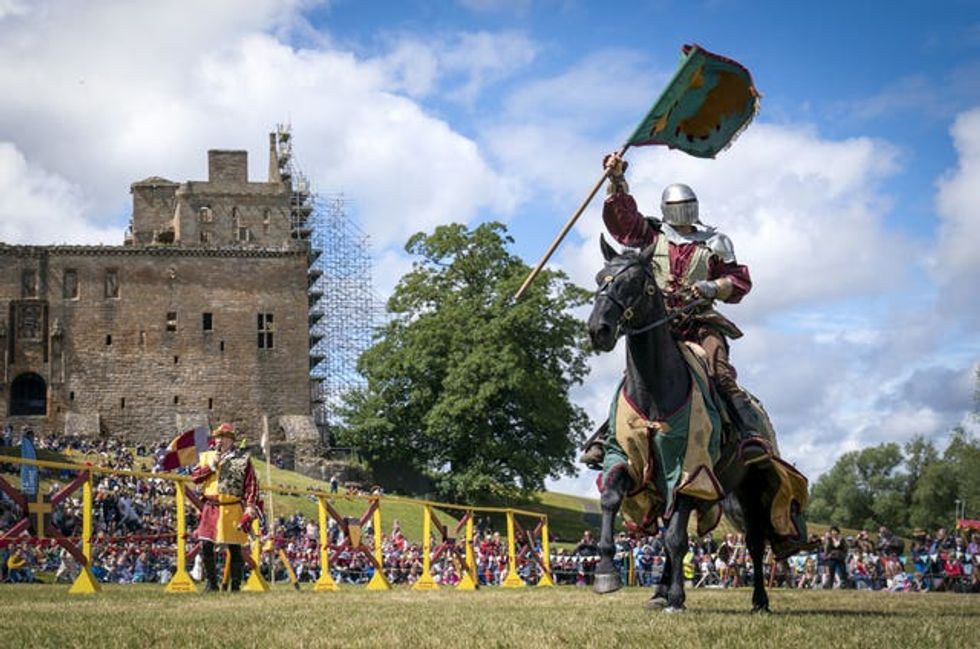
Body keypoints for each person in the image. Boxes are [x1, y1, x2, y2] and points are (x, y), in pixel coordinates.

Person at [581, 153, 770, 468]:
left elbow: (739, 281)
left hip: (699, 322)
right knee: (637, 376)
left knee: (719, 371)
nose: (682, 211)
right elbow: (623, 222)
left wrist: (713, 287)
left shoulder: (714, 242)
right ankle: (608, 436)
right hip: (658, 321)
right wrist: (616, 179)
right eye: (676, 206)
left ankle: (749, 434)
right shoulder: (651, 235)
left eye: (686, 205)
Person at [191, 423, 260, 592]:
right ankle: (212, 584)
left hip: (232, 507)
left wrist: (250, 505)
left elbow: (251, 483)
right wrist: (211, 467)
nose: (219, 441)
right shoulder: (207, 457)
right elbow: (195, 477)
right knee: (205, 544)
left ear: (231, 440)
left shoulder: (242, 459)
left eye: (223, 437)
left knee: (235, 547)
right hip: (211, 506)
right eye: (217, 437)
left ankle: (235, 585)